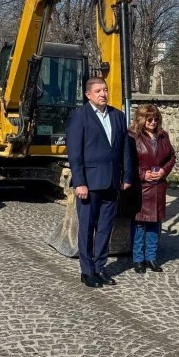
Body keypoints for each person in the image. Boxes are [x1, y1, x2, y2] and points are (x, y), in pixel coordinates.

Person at [66, 77, 133, 288]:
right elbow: (75, 153)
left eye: (105, 90)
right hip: (89, 184)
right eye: (98, 91)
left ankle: (100, 267)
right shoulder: (79, 116)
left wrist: (127, 176)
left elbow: (125, 149)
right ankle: (87, 271)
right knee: (86, 228)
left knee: (105, 228)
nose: (103, 94)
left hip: (112, 182)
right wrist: (79, 182)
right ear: (88, 95)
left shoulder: (118, 116)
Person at [126, 104, 176, 274]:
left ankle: (151, 258)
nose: (153, 122)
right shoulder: (132, 136)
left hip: (158, 186)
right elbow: (128, 161)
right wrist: (142, 174)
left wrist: (163, 171)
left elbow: (171, 157)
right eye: (149, 119)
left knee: (155, 224)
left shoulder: (163, 136)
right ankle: (138, 259)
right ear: (141, 119)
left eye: (156, 119)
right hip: (141, 188)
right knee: (139, 224)